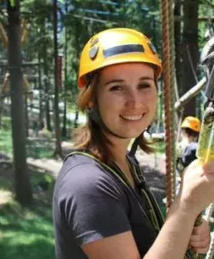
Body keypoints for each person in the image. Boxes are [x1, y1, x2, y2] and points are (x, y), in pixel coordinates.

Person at [53, 28, 214, 259]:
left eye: (144, 85)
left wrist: (186, 231)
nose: (135, 102)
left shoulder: (124, 162)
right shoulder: (87, 185)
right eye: (117, 87)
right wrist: (186, 208)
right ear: (90, 99)